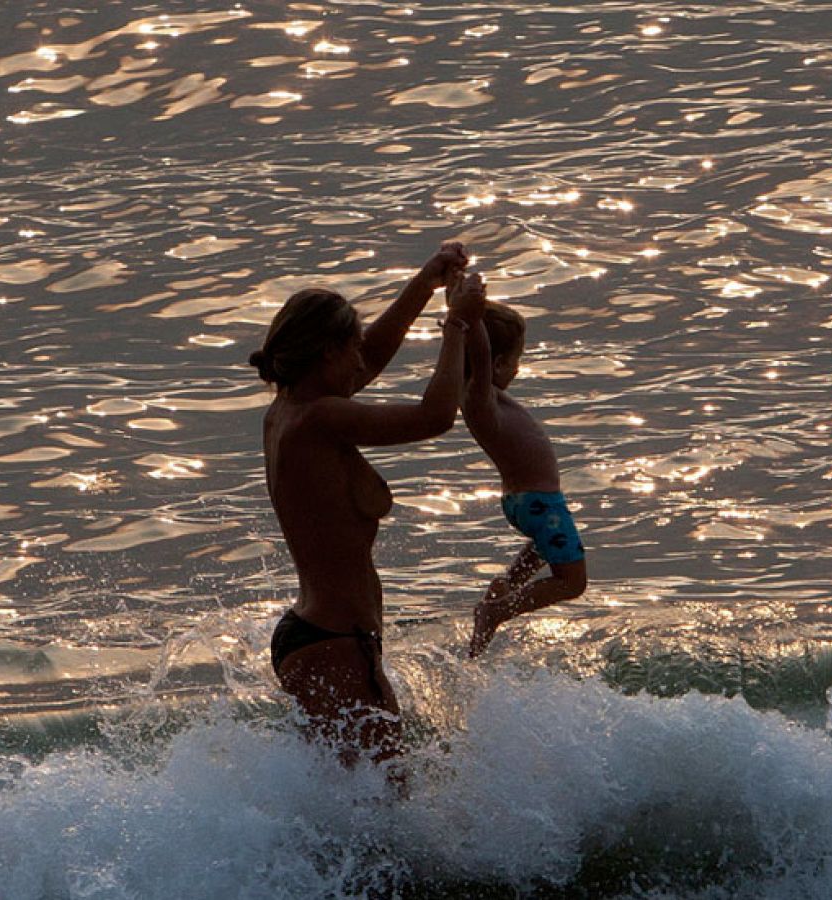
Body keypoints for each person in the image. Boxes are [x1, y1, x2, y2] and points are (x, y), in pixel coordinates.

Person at [249, 242, 482, 770]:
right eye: (351, 348)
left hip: (316, 636)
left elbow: (370, 357)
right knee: (386, 799)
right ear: (326, 353)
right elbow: (435, 416)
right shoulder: (320, 419)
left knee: (353, 798)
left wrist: (426, 282)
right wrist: (456, 326)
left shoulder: (290, 409)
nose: (362, 361)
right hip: (336, 643)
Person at [460, 287, 589, 658]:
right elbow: (480, 357)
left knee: (543, 549)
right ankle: (497, 611)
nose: (518, 369)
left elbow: (477, 355)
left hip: (528, 501)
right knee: (572, 581)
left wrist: (460, 303)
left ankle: (505, 587)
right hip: (537, 501)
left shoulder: (480, 394)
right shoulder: (479, 396)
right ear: (497, 363)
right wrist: (471, 320)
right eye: (516, 360)